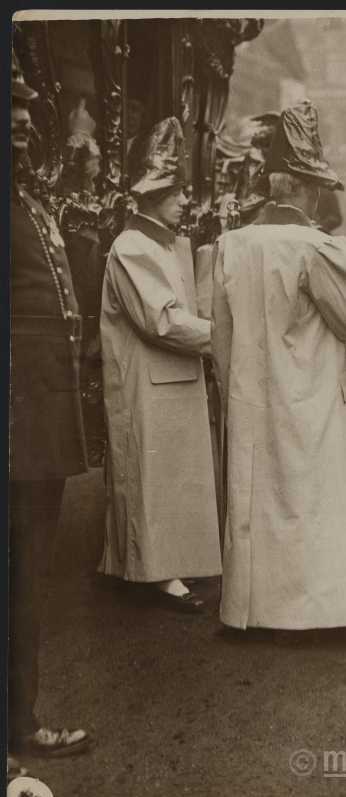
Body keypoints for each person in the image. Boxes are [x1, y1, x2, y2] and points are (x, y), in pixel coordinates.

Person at [212, 100, 346, 635]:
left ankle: (255, 611)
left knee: (258, 502)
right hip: (311, 397)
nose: (322, 196)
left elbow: (220, 336)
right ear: (305, 188)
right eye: (318, 186)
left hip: (250, 396)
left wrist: (232, 389)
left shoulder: (231, 245)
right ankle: (316, 612)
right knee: (311, 502)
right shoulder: (317, 247)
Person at [98, 117, 222, 612]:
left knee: (176, 477)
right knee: (153, 477)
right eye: (176, 190)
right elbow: (163, 321)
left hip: (174, 378)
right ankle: (155, 571)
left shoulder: (168, 245)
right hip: (148, 384)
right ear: (150, 193)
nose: (186, 199)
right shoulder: (131, 247)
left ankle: (171, 564)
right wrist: (225, 338)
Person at [9, 52, 91, 770]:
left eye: (21, 109)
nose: (19, 120)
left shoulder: (28, 201)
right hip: (15, 424)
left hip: (39, 429)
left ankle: (20, 723)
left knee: (28, 580)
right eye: (7, 109)